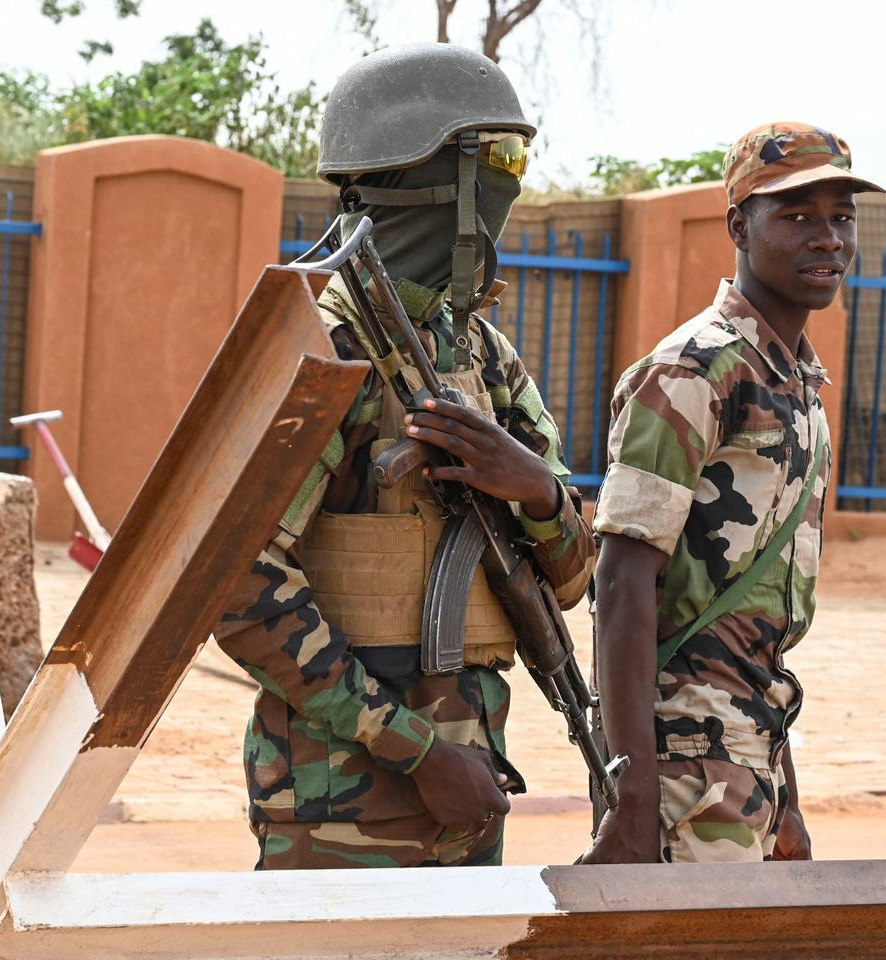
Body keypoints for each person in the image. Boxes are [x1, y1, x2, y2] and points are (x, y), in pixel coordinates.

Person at [215, 43, 593, 870]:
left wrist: (534, 492)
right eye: (494, 157)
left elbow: (570, 577)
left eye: (515, 155)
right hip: (341, 804)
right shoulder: (317, 351)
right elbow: (239, 589)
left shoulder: (485, 359)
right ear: (429, 177)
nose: (510, 182)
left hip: (472, 787)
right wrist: (416, 752)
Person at [582, 122, 882, 865]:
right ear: (738, 227)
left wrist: (786, 796)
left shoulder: (796, 382)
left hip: (750, 746)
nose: (827, 238)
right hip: (681, 751)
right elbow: (621, 583)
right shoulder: (694, 372)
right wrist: (633, 795)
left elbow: (755, 624)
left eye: (841, 217)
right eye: (797, 215)